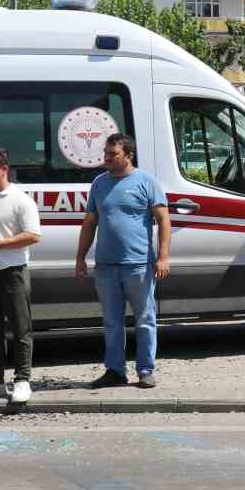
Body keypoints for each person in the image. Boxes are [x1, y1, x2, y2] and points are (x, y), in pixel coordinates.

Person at [75, 133, 171, 389]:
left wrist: (162, 257)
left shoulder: (147, 182)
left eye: (112, 153)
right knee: (112, 322)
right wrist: (80, 257)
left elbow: (163, 221)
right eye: (105, 153)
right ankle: (115, 371)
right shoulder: (99, 183)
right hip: (106, 266)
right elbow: (90, 223)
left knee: (145, 319)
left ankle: (146, 370)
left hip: (139, 264)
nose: (105, 158)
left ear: (128, 155)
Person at [0, 148, 41, 406]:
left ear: (3, 169)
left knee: (20, 328)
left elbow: (33, 235)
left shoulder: (19, 199)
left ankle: (23, 379)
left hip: (13, 272)